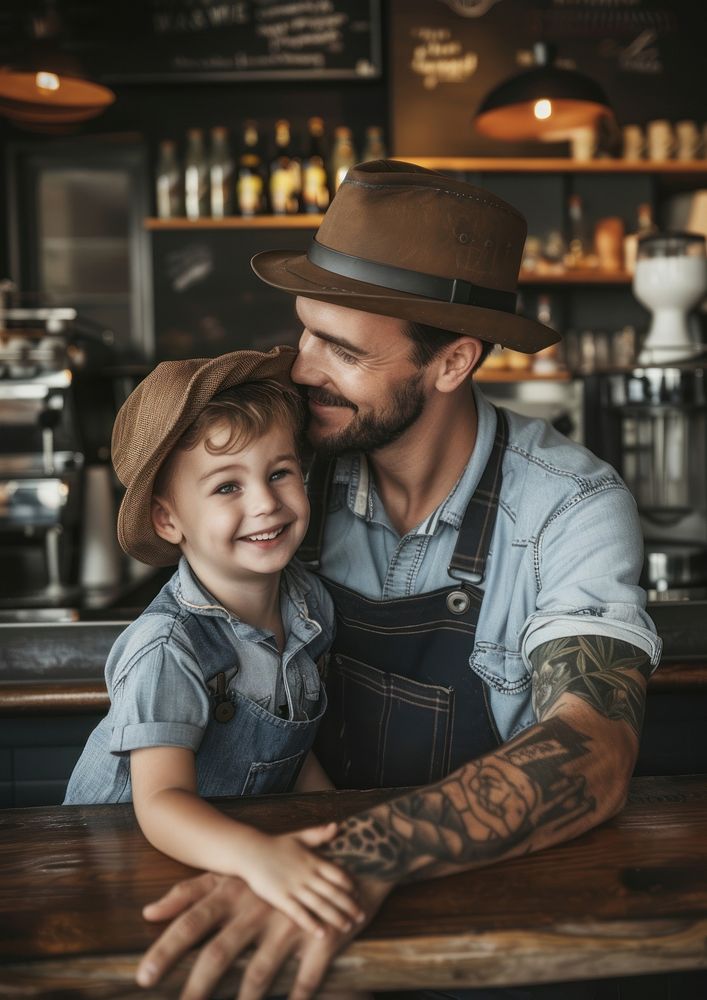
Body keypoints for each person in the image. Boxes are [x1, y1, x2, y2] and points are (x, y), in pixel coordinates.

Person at [134, 160, 662, 1000]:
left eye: (341, 349)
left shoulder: (568, 503)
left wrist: (358, 857)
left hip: (492, 909)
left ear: (452, 362)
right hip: (276, 886)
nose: (303, 370)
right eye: (305, 330)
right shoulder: (284, 473)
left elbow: (594, 748)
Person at [63, 347, 365, 939]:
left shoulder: (309, 608)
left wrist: (340, 831)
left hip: (231, 857)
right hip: (124, 871)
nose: (265, 502)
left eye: (279, 472)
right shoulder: (168, 648)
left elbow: (288, 744)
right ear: (168, 521)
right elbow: (162, 803)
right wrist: (259, 857)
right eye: (227, 487)